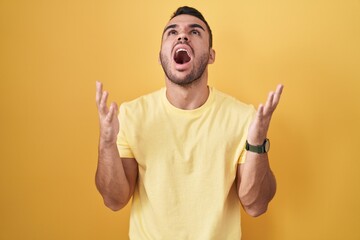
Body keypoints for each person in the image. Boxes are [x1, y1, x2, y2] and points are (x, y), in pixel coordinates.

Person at [95, 6, 283, 239]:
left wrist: (257, 144)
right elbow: (114, 200)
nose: (182, 35)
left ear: (211, 55)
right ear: (160, 55)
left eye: (195, 32)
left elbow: (256, 205)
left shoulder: (243, 117)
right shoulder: (132, 115)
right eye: (172, 32)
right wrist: (106, 142)